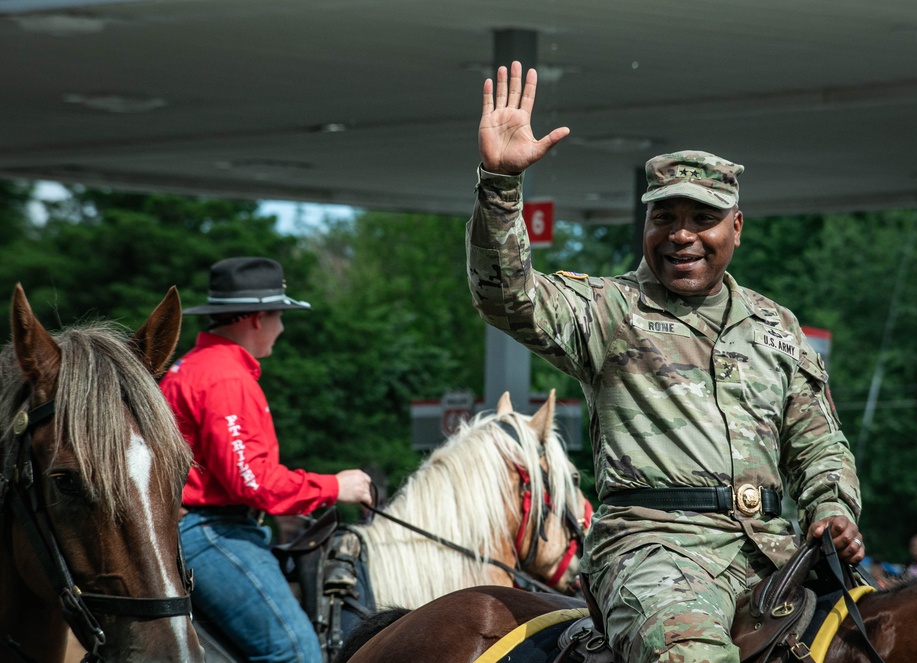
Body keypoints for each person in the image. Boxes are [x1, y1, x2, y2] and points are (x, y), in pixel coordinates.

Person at [467, 61, 865, 663]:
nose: (682, 235)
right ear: (645, 225)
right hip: (652, 554)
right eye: (665, 217)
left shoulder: (776, 327)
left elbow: (819, 446)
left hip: (775, 553)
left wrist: (833, 510)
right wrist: (500, 185)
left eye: (702, 219)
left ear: (736, 228)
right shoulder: (607, 310)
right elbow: (506, 295)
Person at [160, 256, 372, 663]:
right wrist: (336, 487)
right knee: (296, 653)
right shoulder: (224, 378)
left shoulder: (191, 367)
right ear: (257, 319)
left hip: (196, 528)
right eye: (279, 315)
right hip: (210, 532)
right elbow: (251, 482)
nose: (282, 327)